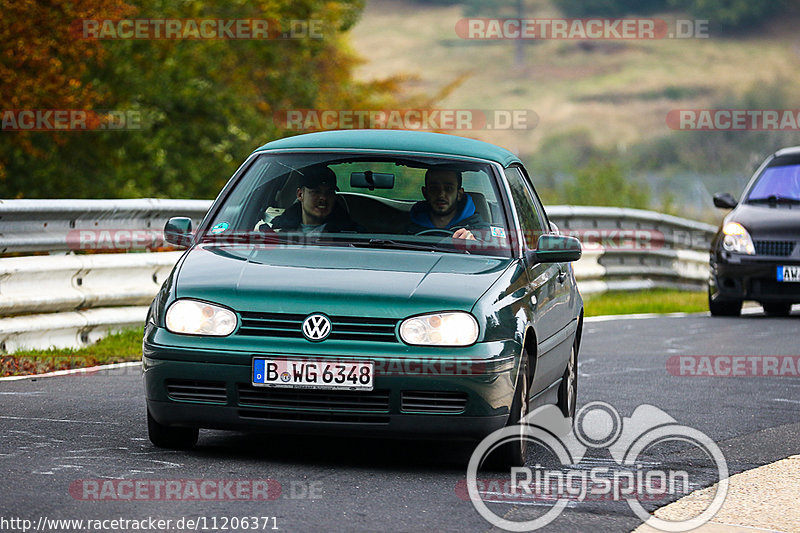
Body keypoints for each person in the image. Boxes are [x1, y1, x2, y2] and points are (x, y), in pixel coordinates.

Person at [270, 166, 358, 234]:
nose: (323, 197)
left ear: (335, 196)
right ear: (300, 194)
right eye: (316, 192)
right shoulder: (276, 229)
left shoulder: (352, 234)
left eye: (329, 192)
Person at [406, 168, 488, 239]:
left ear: (459, 194)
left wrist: (474, 244)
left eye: (449, 188)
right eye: (434, 188)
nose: (441, 195)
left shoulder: (479, 230)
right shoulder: (407, 229)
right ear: (425, 193)